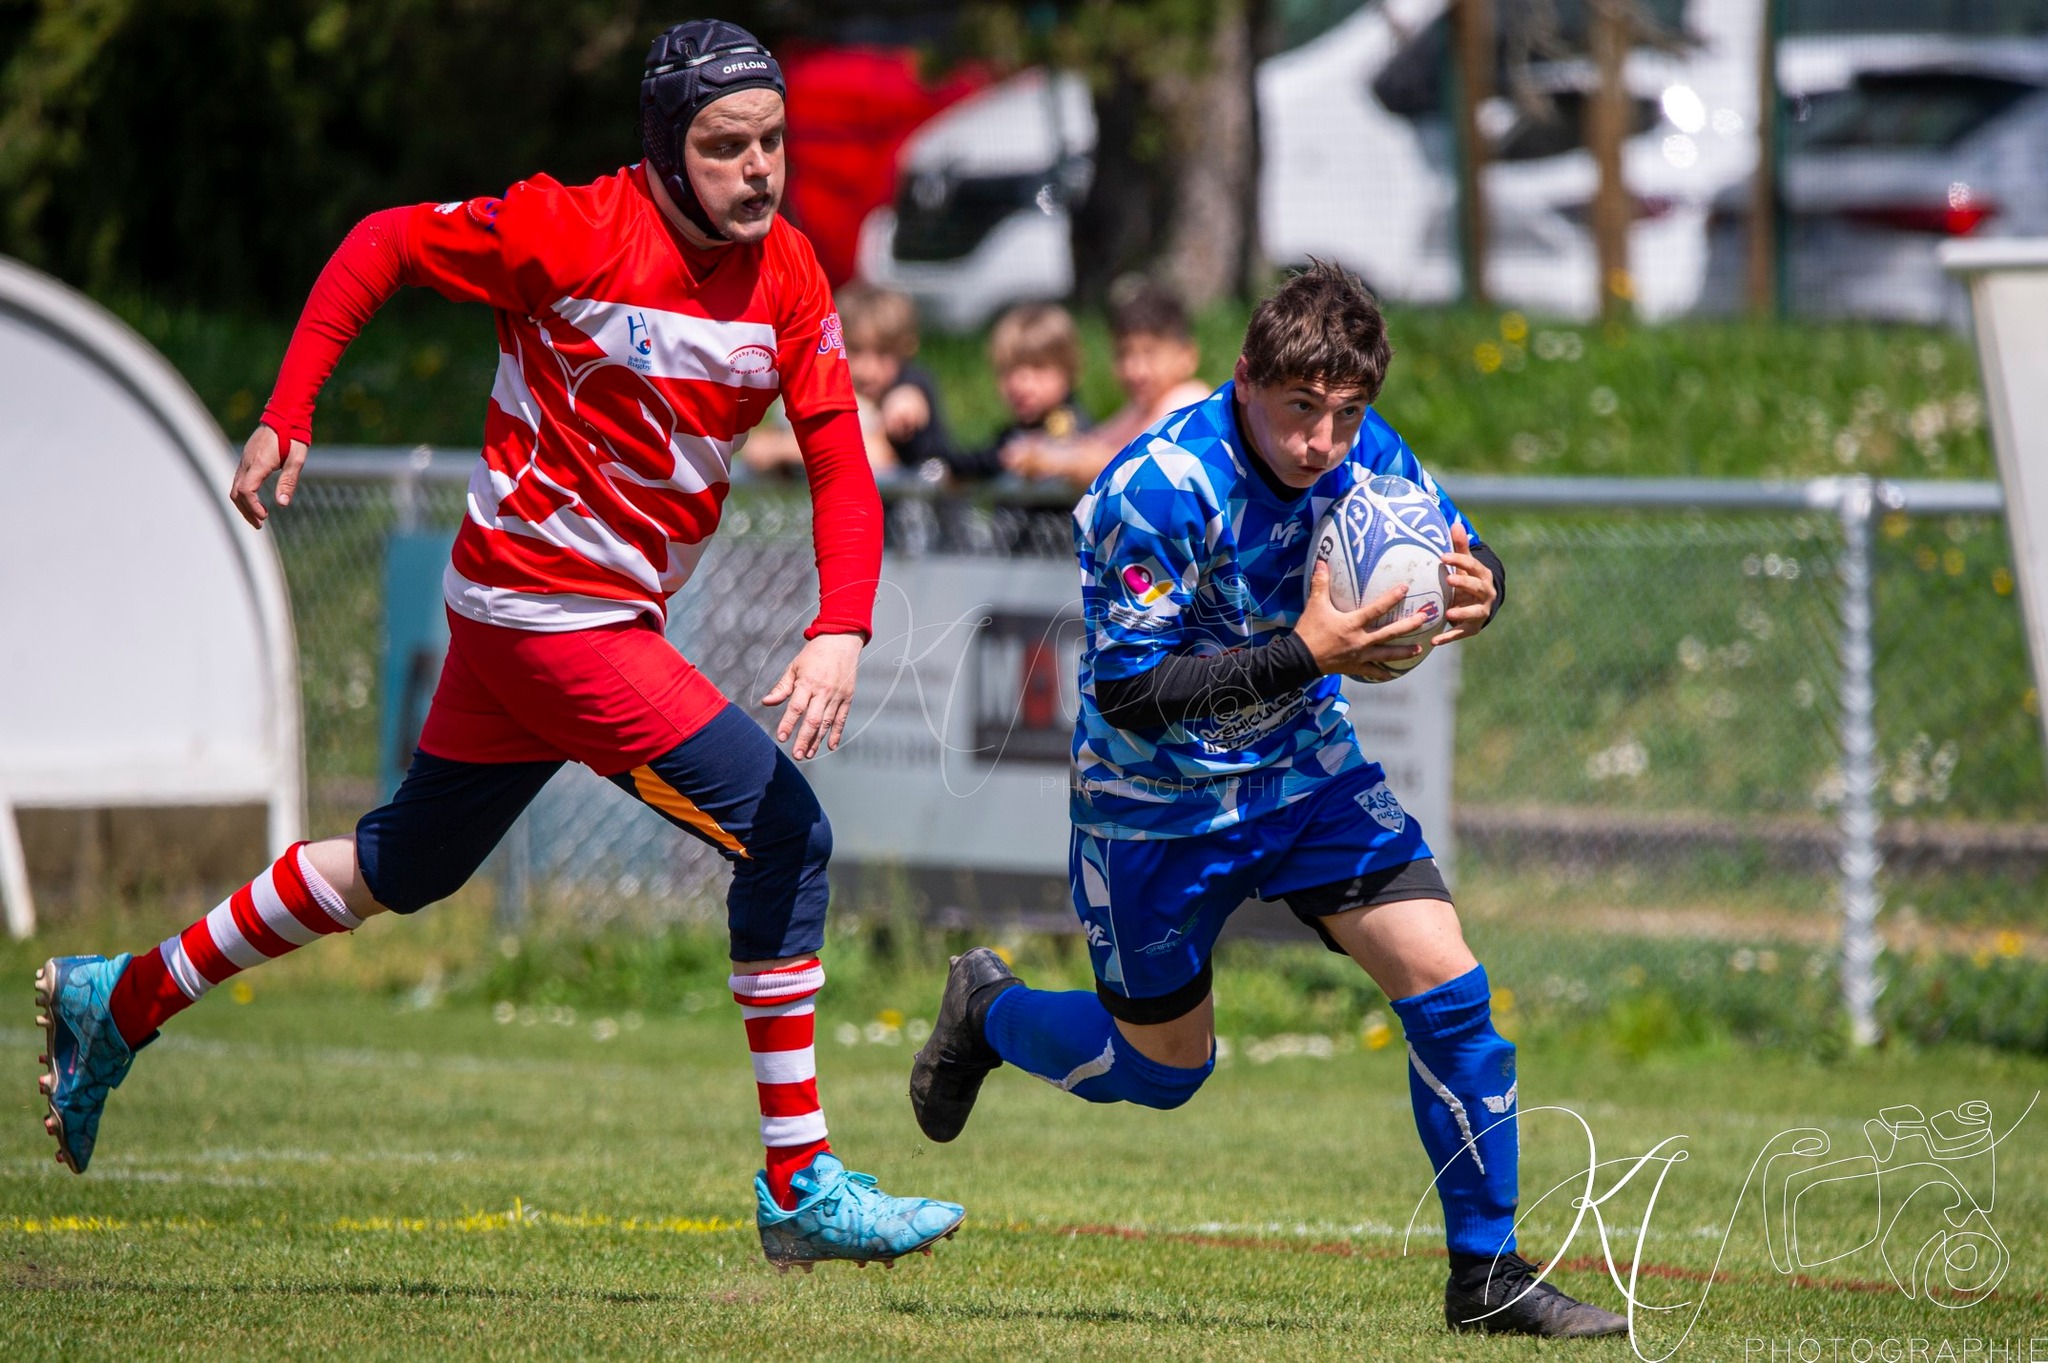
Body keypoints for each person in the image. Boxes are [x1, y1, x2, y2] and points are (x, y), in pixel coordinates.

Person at [36, 19, 964, 1273]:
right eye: (724, 145)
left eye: (773, 143)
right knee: (787, 832)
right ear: (660, 148)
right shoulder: (566, 229)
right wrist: (289, 407)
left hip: (540, 621)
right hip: (550, 616)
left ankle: (122, 997)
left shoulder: (790, 273)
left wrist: (840, 625)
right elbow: (381, 243)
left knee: (402, 866)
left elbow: (842, 469)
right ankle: (798, 1184)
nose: (758, 169)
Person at [908, 261, 1629, 1337]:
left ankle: (1485, 1276)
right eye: (1299, 411)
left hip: (1303, 779)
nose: (1321, 444)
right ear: (1243, 379)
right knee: (1161, 1072)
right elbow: (1130, 693)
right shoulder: (1152, 487)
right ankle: (991, 1011)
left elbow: (1454, 553)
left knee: (1449, 983)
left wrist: (1483, 589)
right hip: (1152, 809)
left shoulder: (1364, 455)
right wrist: (1305, 649)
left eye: (1344, 415)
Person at [1004, 275, 1207, 490]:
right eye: (1124, 354)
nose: (1135, 369)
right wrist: (1041, 450)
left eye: (1150, 354)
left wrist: (1059, 462)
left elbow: (1146, 464)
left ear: (1187, 356)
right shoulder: (1140, 410)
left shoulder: (1190, 401)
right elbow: (1092, 444)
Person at [742, 282, 951, 478]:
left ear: (906, 349)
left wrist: (785, 449)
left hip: (926, 514)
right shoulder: (830, 389)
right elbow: (757, 449)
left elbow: (879, 454)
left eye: (884, 353)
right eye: (855, 350)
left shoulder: (910, 385)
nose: (867, 370)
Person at [939, 302, 1090, 483]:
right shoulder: (1011, 435)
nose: (1020, 385)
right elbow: (983, 460)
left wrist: (1042, 460)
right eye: (1008, 371)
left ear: (1068, 370)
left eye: (1038, 367)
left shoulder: (1073, 426)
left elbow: (1073, 453)